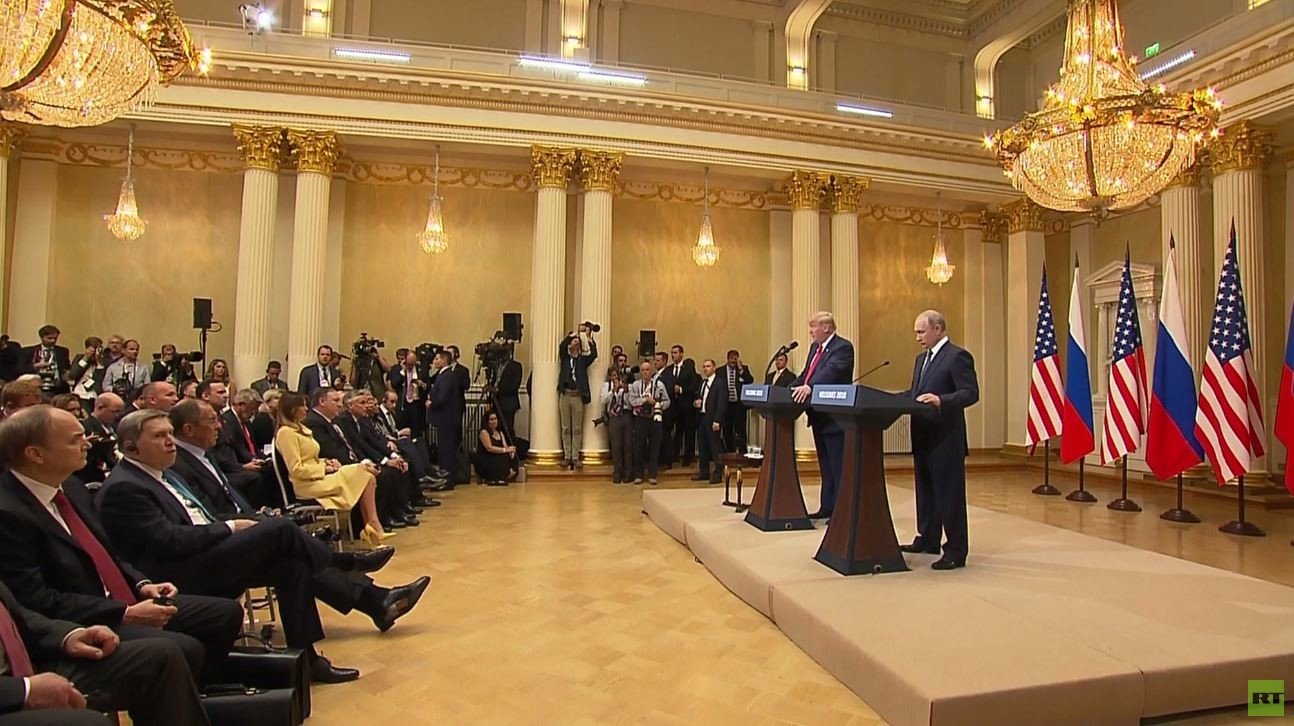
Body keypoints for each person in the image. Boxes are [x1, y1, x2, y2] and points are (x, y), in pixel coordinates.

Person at [94, 409, 364, 683]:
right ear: (131, 447)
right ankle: (343, 562)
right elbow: (171, 540)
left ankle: (308, 660)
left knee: (291, 566)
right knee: (280, 528)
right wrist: (230, 528)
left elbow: (204, 516)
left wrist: (240, 523)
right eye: (159, 436)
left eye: (170, 434)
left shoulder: (162, 474)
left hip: (204, 552)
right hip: (176, 574)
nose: (170, 442)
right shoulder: (124, 487)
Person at [0, 406, 244, 685]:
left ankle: (202, 691)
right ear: (35, 454)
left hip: (120, 599)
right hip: (79, 620)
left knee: (224, 614)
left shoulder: (72, 488)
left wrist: (142, 584)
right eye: (75, 439)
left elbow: (106, 554)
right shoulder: (8, 513)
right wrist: (123, 612)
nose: (87, 444)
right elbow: (36, 600)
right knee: (180, 648)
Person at [167, 400, 428, 632]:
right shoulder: (178, 464)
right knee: (285, 534)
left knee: (296, 562)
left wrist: (256, 516)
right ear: (189, 429)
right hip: (216, 546)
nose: (220, 425)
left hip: (237, 527)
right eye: (212, 420)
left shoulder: (201, 455)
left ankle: (375, 604)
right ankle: (349, 565)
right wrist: (249, 522)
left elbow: (225, 499)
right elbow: (204, 516)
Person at [0, 579, 210, 726]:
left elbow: (18, 613)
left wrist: (68, 635)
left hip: (28, 665)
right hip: (11, 690)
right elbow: (40, 598)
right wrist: (24, 691)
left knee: (162, 656)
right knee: (89, 723)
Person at [898, 310, 979, 571]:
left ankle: (955, 550)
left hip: (946, 438)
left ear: (938, 329)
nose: (918, 337)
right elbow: (916, 392)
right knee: (926, 491)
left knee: (949, 495)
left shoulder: (957, 356)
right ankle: (928, 538)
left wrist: (941, 400)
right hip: (923, 435)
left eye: (921, 332)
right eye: (916, 332)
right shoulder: (921, 359)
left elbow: (970, 393)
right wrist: (889, 399)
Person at [276, 392, 391, 547]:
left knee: (368, 477)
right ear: (292, 409)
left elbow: (311, 458)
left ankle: (372, 526)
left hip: (319, 477)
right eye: (302, 406)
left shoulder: (301, 428)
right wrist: (324, 468)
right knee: (362, 471)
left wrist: (327, 461)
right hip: (307, 484)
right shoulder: (285, 433)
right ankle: (373, 526)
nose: (306, 409)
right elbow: (296, 469)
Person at [791, 312, 856, 521]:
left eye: (813, 327)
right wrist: (785, 391)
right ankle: (827, 506)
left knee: (838, 467)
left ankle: (841, 511)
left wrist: (809, 387)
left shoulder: (843, 348)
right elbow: (806, 374)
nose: (810, 331)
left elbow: (831, 373)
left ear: (826, 328)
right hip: (818, 414)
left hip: (835, 416)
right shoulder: (815, 348)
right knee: (826, 466)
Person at [556, 326, 598, 470]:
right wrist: (572, 335)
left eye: (577, 342)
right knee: (565, 428)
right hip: (565, 395)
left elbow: (593, 354)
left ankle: (575, 457)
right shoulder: (565, 358)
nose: (576, 343)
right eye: (574, 341)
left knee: (577, 428)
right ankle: (567, 456)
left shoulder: (582, 360)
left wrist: (589, 337)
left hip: (577, 396)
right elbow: (562, 346)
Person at [628, 360, 670, 485]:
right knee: (639, 447)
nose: (645, 372)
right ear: (640, 372)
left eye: (647, 370)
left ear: (651, 371)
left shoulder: (659, 385)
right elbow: (632, 401)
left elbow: (667, 401)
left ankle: (652, 474)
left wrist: (657, 404)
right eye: (643, 370)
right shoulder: (636, 385)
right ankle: (638, 474)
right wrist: (645, 400)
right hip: (640, 418)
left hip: (654, 418)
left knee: (655, 447)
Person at [691, 359, 727, 484]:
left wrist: (717, 420)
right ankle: (704, 471)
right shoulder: (702, 382)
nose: (706, 368)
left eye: (708, 366)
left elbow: (722, 403)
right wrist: (696, 403)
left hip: (713, 419)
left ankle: (718, 473)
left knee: (715, 446)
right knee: (702, 446)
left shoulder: (720, 383)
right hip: (702, 417)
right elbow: (699, 397)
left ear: (714, 368)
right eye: (704, 366)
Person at [77, 393, 123, 483]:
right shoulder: (86, 428)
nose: (118, 415)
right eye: (115, 411)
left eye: (119, 412)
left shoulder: (117, 426)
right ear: (100, 407)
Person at [19, 325, 71, 397]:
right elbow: (19, 369)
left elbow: (66, 368)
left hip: (58, 388)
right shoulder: (28, 351)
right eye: (49, 338)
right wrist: (36, 366)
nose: (53, 341)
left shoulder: (63, 351)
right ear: (41, 337)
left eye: (55, 338)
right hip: (37, 387)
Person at [602, 368, 633, 484]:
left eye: (618, 376)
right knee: (616, 446)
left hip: (626, 415)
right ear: (610, 376)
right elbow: (603, 400)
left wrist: (625, 391)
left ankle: (628, 473)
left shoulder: (628, 387)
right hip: (614, 417)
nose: (616, 378)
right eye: (614, 375)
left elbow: (631, 403)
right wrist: (613, 391)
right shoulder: (606, 386)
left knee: (628, 445)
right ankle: (617, 473)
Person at [720, 349, 754, 452]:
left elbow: (750, 380)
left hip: (739, 405)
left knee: (741, 430)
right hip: (726, 405)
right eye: (731, 359)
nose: (733, 361)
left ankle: (742, 452)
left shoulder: (743, 369)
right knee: (727, 430)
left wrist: (741, 370)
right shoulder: (720, 371)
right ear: (727, 359)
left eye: (735, 359)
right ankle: (730, 451)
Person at [475, 412, 517, 485]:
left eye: (495, 419)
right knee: (502, 458)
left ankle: (503, 476)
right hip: (486, 458)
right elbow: (489, 448)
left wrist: (511, 451)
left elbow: (505, 446)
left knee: (511, 456)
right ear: (487, 421)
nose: (494, 421)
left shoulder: (500, 432)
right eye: (491, 419)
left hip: (497, 455)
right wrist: (505, 450)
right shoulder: (484, 432)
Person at [65, 338, 104, 415]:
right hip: (81, 394)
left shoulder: (103, 361)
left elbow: (99, 379)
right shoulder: (80, 358)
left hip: (96, 395)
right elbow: (73, 374)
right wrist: (85, 358)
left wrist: (99, 364)